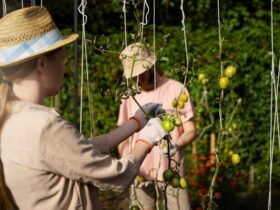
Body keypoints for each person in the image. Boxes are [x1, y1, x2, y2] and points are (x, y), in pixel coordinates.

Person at [0, 7, 168, 210]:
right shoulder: (45, 126)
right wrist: (147, 140)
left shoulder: (10, 117)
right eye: (63, 59)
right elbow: (116, 174)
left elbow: (74, 153)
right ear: (42, 64)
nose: (65, 67)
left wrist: (135, 123)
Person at [117, 42, 196, 210]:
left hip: (171, 171)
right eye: (133, 75)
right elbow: (121, 137)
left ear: (152, 66)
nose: (137, 79)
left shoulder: (176, 89)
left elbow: (190, 130)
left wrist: (177, 144)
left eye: (140, 73)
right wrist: (128, 163)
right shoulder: (129, 96)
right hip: (139, 173)